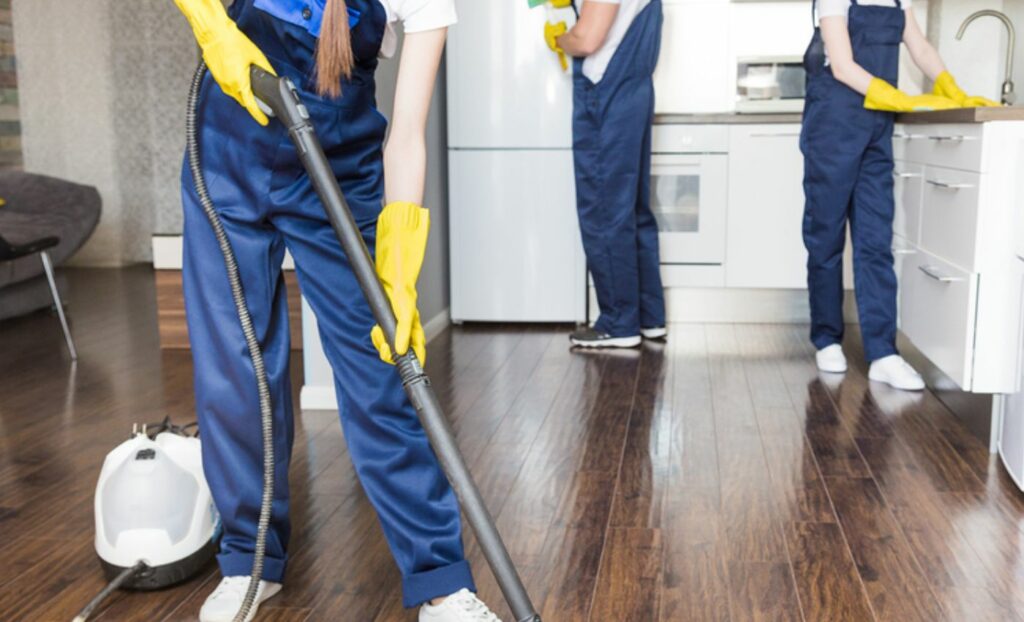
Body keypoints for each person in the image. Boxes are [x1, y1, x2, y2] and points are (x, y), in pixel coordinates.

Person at [172, 1, 500, 620]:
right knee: (237, 371)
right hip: (227, 154)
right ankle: (250, 562)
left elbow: (407, 134)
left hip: (340, 171)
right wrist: (211, 27)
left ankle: (440, 579)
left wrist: (401, 266)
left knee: (381, 370)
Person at [800, 0, 997, 390]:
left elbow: (918, 45)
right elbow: (840, 64)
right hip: (833, 124)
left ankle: (882, 352)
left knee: (875, 240)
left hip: (877, 127)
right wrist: (894, 96)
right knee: (826, 235)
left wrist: (948, 83)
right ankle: (826, 337)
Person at [545, 0, 667, 349]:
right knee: (632, 210)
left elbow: (587, 39)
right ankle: (648, 317)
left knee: (604, 210)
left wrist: (559, 38)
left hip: (607, 93)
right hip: (634, 90)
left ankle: (619, 322)